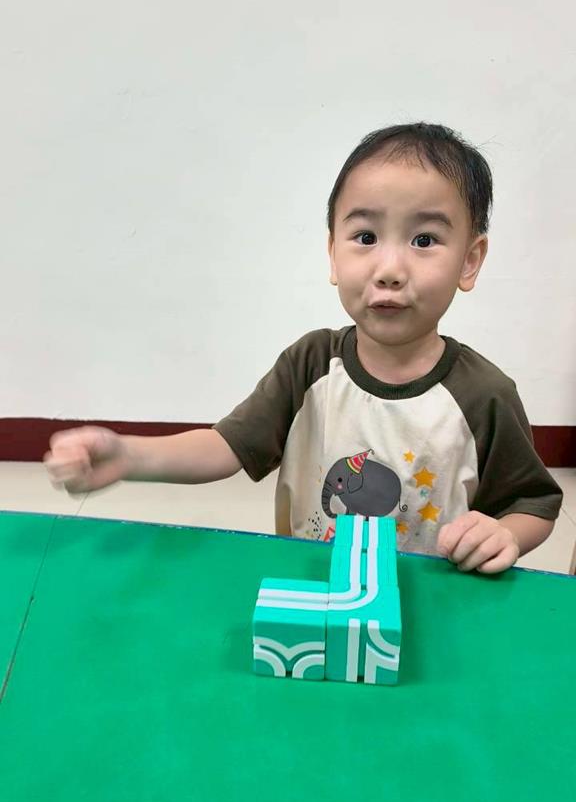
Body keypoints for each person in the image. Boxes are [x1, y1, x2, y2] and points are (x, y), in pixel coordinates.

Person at [45, 123, 562, 574]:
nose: (389, 270)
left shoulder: (484, 395)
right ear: (333, 253)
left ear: (470, 261)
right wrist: (129, 455)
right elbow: (224, 447)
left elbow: (533, 503)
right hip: (314, 589)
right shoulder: (311, 364)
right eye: (365, 236)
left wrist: (506, 534)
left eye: (424, 240)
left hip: (431, 605)